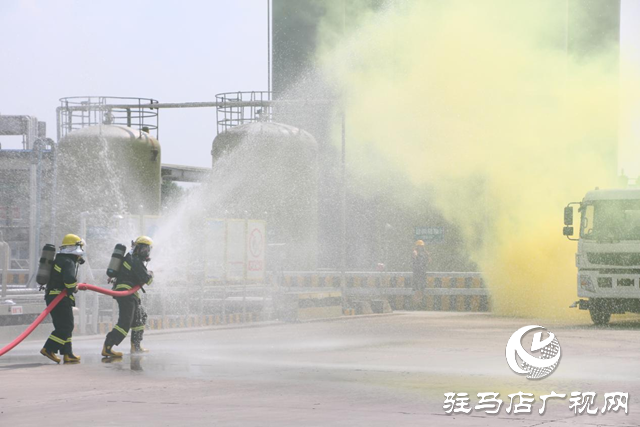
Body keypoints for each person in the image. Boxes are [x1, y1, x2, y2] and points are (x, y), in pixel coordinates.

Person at [102, 236, 154, 358]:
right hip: (126, 294)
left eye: (148, 249)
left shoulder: (131, 258)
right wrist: (151, 275)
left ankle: (136, 346)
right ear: (139, 248)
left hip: (130, 294)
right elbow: (146, 279)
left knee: (140, 316)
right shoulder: (134, 260)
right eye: (145, 249)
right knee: (125, 322)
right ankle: (108, 347)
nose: (146, 252)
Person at [40, 234, 85, 364]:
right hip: (59, 298)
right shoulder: (68, 261)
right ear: (74, 248)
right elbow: (70, 280)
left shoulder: (60, 259)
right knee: (66, 326)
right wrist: (74, 288)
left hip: (54, 297)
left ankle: (67, 353)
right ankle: (49, 349)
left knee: (64, 325)